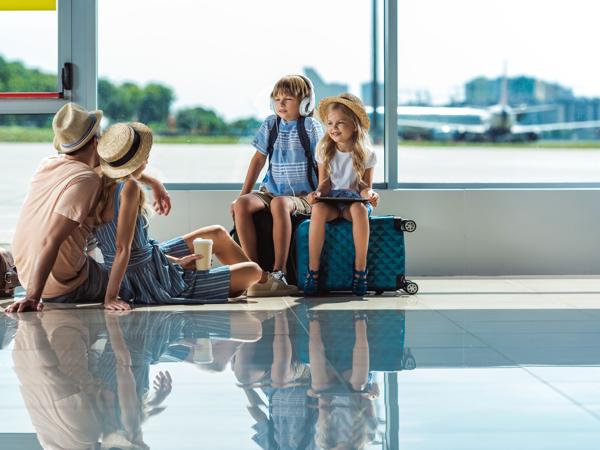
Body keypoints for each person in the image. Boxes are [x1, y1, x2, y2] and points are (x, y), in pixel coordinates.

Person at [6, 103, 171, 313]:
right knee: (130, 278)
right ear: (96, 142)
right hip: (61, 286)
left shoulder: (47, 164)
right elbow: (50, 239)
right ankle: (176, 272)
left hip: (27, 273)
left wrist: (154, 183)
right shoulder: (87, 180)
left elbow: (113, 169)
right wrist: (32, 298)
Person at [94, 122, 262, 309]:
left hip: (145, 265)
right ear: (132, 162)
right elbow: (122, 249)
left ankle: (262, 284)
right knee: (253, 271)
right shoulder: (129, 188)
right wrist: (110, 297)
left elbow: (128, 250)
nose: (147, 160)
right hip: (149, 281)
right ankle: (263, 283)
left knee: (217, 233)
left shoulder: (97, 180)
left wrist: (177, 262)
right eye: (144, 156)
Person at [231, 74, 324, 297]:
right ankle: (254, 273)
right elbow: (258, 160)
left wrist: (320, 192)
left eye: (288, 99)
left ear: (305, 103)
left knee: (280, 204)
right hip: (270, 192)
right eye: (277, 99)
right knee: (243, 205)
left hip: (302, 196)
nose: (280, 104)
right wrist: (241, 195)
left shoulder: (311, 127)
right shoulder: (270, 124)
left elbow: (323, 162)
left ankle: (278, 273)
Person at [303, 94, 380, 296]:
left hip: (354, 202)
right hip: (332, 201)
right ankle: (313, 271)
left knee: (360, 209)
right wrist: (317, 194)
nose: (333, 128)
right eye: (330, 123)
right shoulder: (324, 150)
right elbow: (325, 184)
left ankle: (360, 271)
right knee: (318, 209)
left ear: (354, 126)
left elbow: (364, 186)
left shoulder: (366, 153)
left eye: (340, 123)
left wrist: (370, 193)